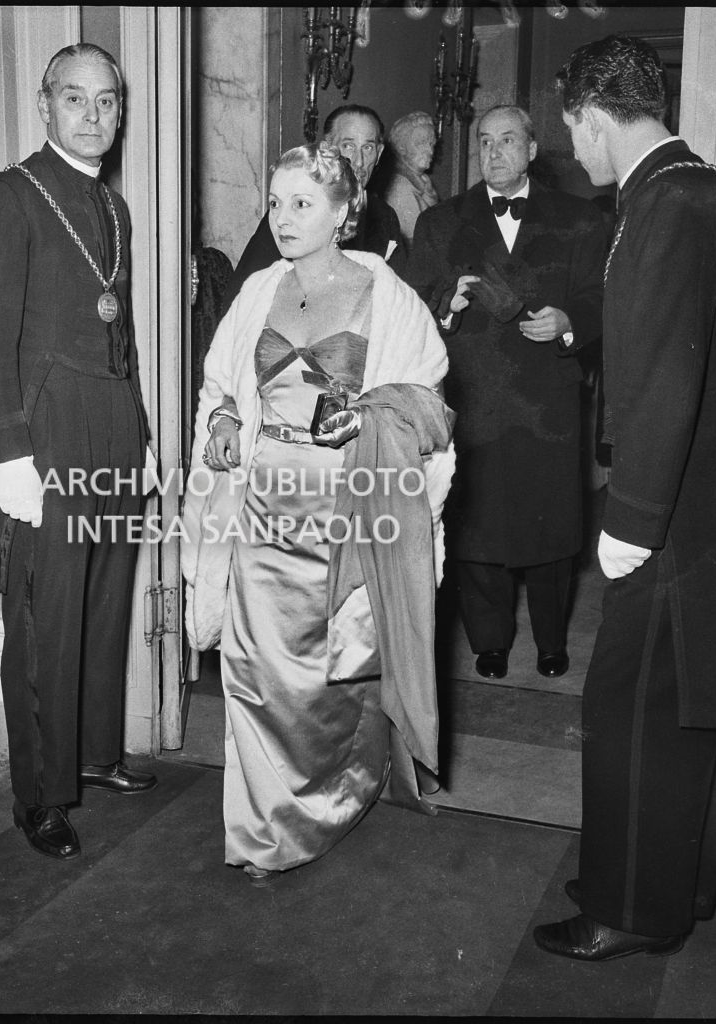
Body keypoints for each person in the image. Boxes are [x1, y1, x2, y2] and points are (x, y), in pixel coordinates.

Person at [181, 142, 456, 885]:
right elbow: (220, 383)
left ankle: (341, 790)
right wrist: (223, 421)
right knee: (250, 671)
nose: (283, 218)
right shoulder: (258, 290)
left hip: (345, 511)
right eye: (275, 203)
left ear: (344, 212)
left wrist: (366, 417)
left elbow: (429, 408)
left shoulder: (385, 294)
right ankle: (263, 830)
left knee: (333, 678)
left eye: (302, 203)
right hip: (261, 508)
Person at [533, 33, 716, 962]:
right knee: (691, 706)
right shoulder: (696, 186)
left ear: (591, 114)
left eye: (571, 128)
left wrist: (631, 522)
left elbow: (663, 374)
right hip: (710, 501)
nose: (572, 148)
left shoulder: (667, 200)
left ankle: (626, 910)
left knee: (628, 704)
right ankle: (675, 888)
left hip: (677, 510)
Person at [0, 43, 156, 863]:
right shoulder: (8, 197)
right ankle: (39, 795)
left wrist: (140, 433)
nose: (94, 115)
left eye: (107, 101)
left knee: (104, 603)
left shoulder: (113, 207)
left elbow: (119, 333)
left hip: (111, 428)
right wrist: (12, 454)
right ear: (45, 105)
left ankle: (95, 753)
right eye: (76, 98)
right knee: (45, 618)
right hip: (45, 434)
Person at [408, 104, 608, 681]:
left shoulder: (580, 219)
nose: (494, 152)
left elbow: (600, 297)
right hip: (475, 395)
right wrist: (446, 306)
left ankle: (551, 641)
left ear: (532, 149)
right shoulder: (440, 222)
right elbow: (414, 307)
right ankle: (489, 642)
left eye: (508, 140)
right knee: (478, 528)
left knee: (552, 530)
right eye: (485, 142)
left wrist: (568, 322)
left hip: (547, 400)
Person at [220, 104, 408, 312]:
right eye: (348, 146)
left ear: (379, 154)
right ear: (328, 150)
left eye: (368, 148)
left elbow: (399, 298)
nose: (359, 161)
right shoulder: (295, 209)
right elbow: (243, 298)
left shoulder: (384, 216)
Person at [383, 111, 440, 248]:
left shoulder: (424, 182)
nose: (430, 151)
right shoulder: (400, 187)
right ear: (401, 147)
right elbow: (415, 243)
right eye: (421, 143)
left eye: (431, 144)